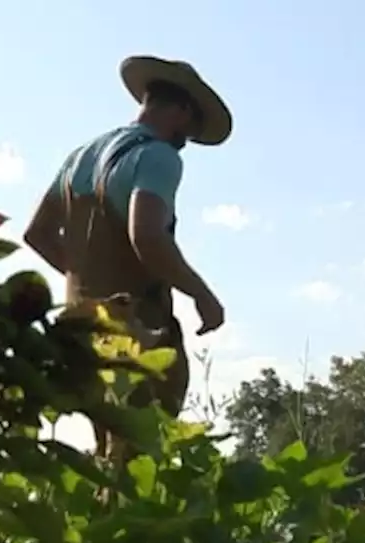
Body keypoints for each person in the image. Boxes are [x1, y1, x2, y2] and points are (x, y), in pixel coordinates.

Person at [23, 55, 230, 427]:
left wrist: (88, 288)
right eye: (193, 125)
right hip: (136, 329)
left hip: (80, 331)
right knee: (143, 446)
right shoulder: (159, 156)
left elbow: (37, 234)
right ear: (182, 110)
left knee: (106, 448)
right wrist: (202, 294)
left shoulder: (79, 157)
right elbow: (146, 237)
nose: (189, 139)